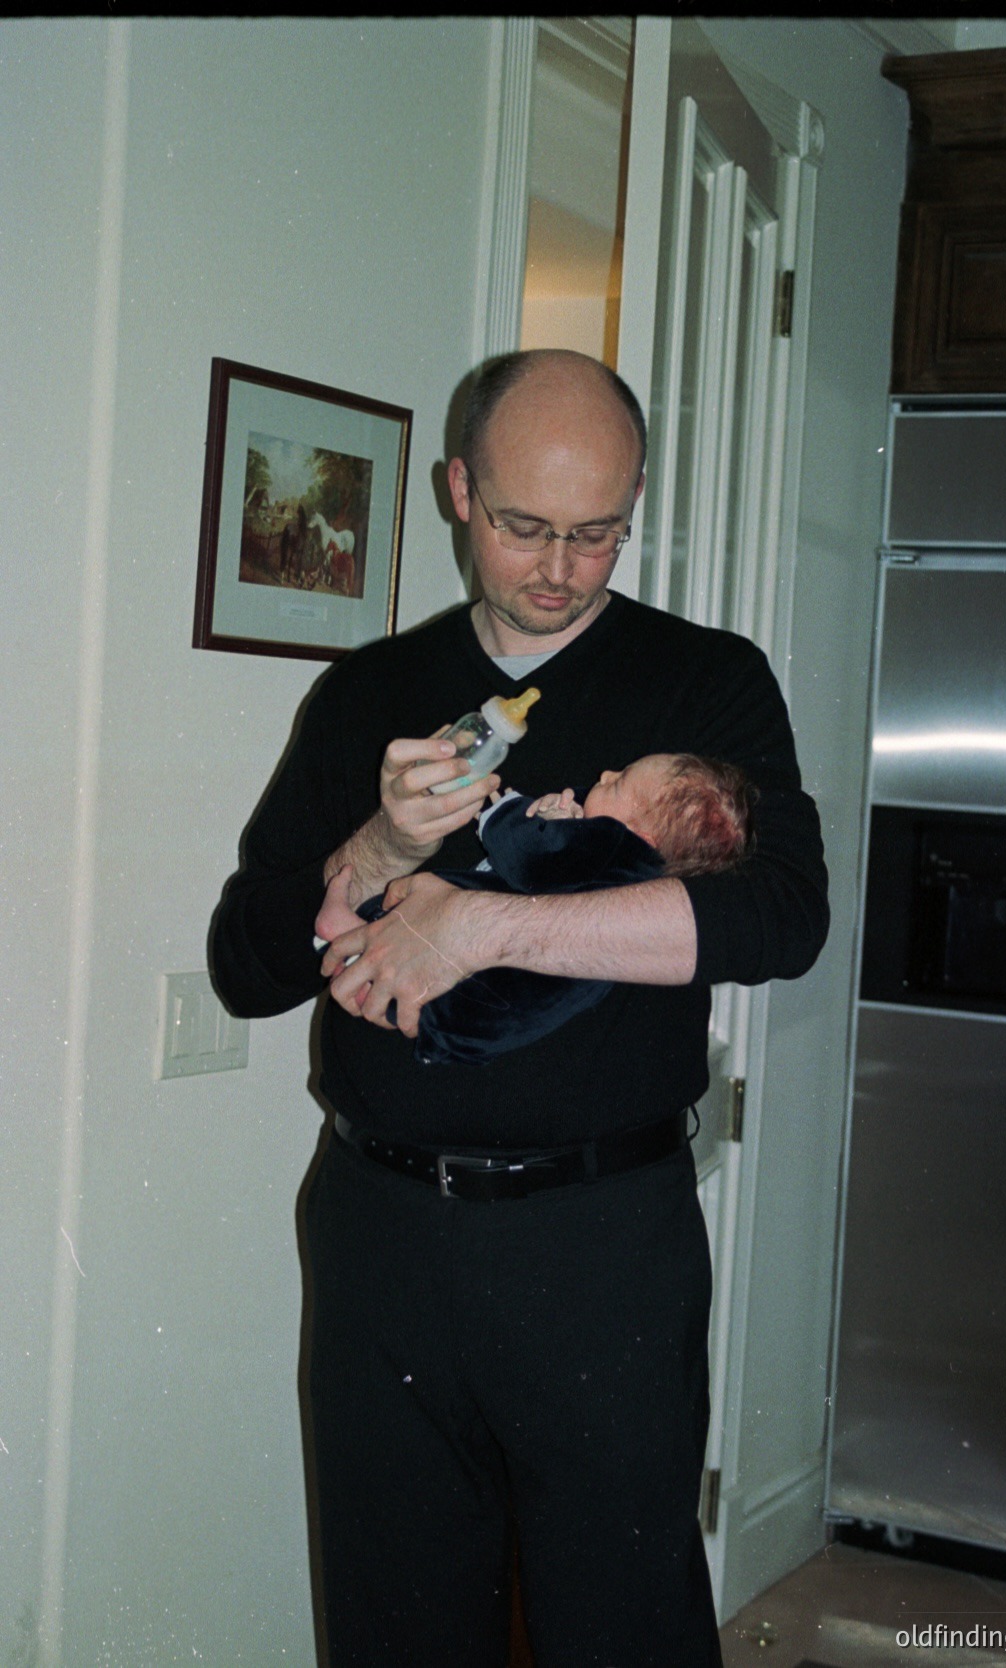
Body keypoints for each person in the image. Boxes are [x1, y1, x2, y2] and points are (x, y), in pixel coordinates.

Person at [211, 348, 828, 1668]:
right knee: (396, 1621)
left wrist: (487, 919)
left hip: (601, 1242)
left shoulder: (706, 683)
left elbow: (784, 920)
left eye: (596, 532)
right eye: (522, 527)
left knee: (620, 1625)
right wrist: (377, 847)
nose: (558, 568)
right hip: (381, 1234)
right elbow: (246, 968)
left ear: (635, 503)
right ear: (457, 492)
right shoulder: (364, 697)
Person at [313, 752, 756, 1065]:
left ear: (643, 837)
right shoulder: (637, 873)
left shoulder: (608, 848)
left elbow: (525, 856)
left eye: (618, 782)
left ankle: (342, 932)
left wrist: (509, 813)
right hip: (500, 1020)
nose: (604, 772)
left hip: (483, 997)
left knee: (411, 985)